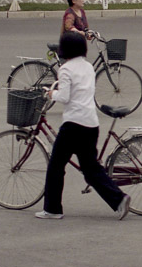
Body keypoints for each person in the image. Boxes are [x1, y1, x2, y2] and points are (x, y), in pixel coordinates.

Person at [36, 28, 130, 220]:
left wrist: (51, 93)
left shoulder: (65, 69)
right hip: (91, 124)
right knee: (91, 169)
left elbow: (65, 96)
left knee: (56, 165)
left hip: (73, 125)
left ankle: (52, 209)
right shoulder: (88, 67)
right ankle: (119, 199)